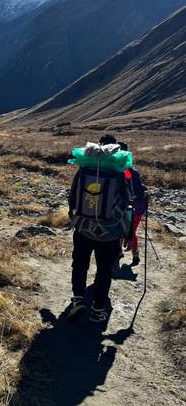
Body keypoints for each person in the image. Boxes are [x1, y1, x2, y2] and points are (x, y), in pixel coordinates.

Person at [68, 135, 133, 323]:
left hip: (83, 228)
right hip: (109, 233)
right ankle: (97, 310)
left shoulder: (85, 169)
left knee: (80, 263)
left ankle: (78, 299)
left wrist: (75, 219)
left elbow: (73, 197)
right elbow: (127, 201)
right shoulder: (120, 172)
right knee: (104, 270)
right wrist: (125, 231)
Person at [118, 142, 147, 265]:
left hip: (124, 208)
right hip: (137, 207)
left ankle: (118, 253)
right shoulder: (133, 172)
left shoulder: (122, 171)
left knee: (119, 230)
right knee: (131, 231)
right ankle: (135, 255)